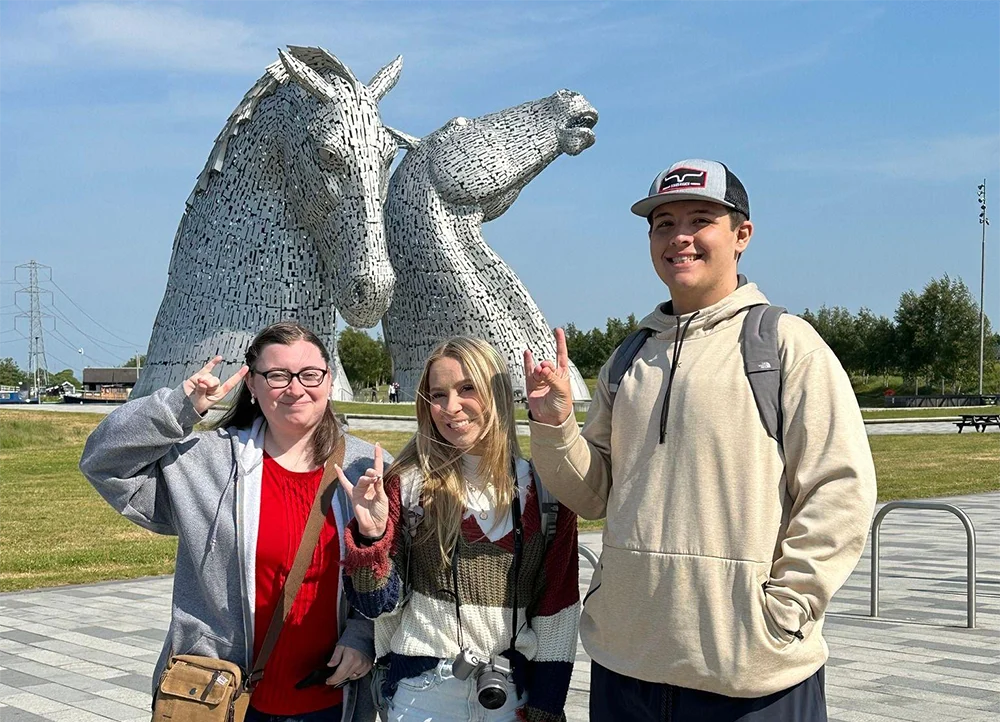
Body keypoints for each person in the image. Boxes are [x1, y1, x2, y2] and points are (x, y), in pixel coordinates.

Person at [524, 159, 878, 721]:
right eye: (663, 223)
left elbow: (841, 488)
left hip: (751, 675)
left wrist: (787, 610)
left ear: (741, 236)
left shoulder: (785, 345)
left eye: (699, 220)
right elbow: (593, 496)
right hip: (628, 662)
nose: (679, 237)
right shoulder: (630, 356)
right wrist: (554, 424)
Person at [80, 321, 383, 722]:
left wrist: (362, 635)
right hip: (220, 698)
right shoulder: (205, 462)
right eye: (277, 376)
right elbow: (103, 462)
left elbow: (391, 574)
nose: (296, 388)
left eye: (310, 375)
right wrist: (179, 407)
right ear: (253, 387)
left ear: (329, 382)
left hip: (330, 699)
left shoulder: (367, 468)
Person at [336, 336, 580, 722]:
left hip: (509, 694)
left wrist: (546, 707)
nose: (451, 408)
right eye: (438, 394)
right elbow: (375, 605)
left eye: (467, 388)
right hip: (422, 696)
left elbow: (558, 610)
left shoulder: (546, 492)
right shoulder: (409, 486)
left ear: (497, 393)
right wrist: (370, 539)